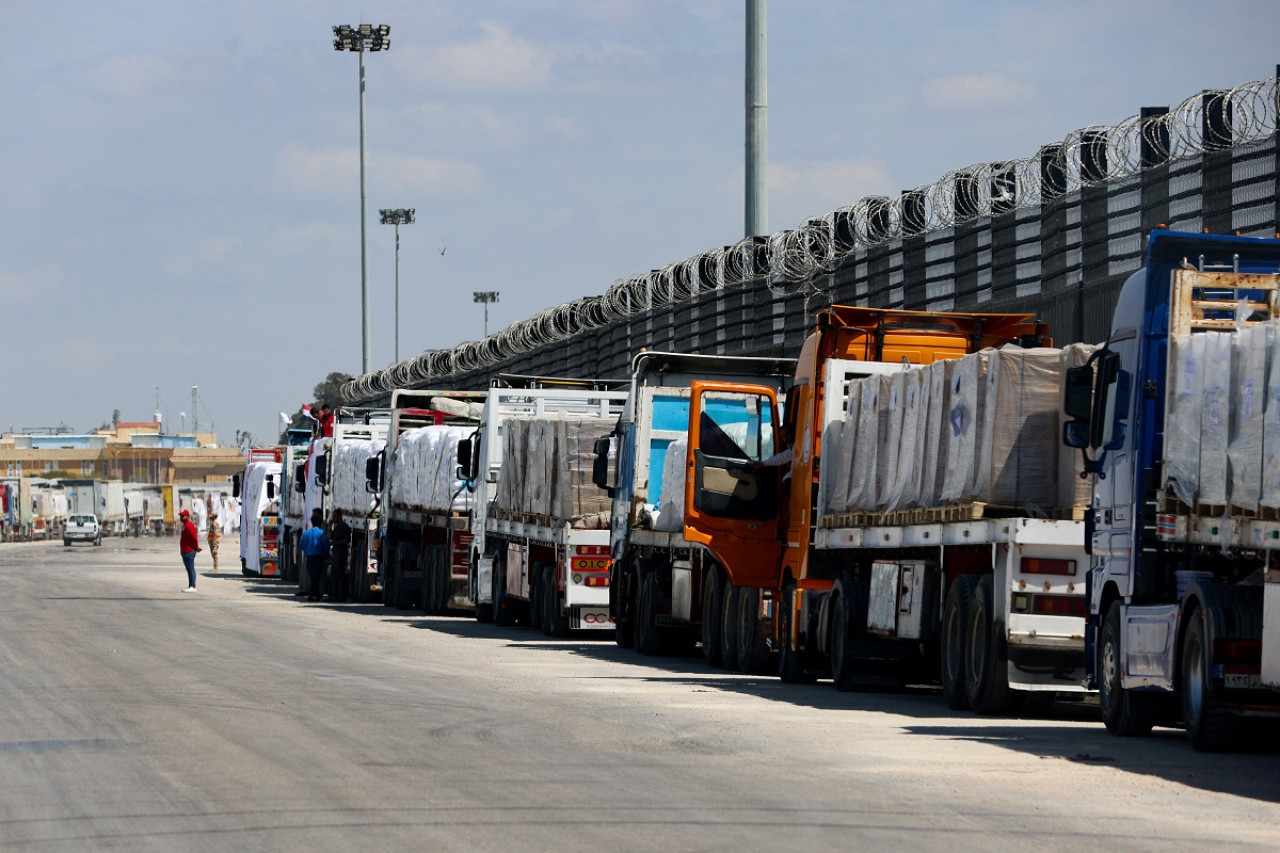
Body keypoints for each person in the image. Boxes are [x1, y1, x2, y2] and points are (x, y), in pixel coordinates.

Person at [300, 509, 330, 601]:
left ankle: (313, 594)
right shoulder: (322, 533)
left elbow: (301, 546)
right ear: (320, 523)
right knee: (317, 577)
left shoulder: (306, 533)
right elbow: (326, 546)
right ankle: (314, 594)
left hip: (309, 558)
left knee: (313, 576)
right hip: (319, 558)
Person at [179, 509, 201, 592]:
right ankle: (191, 585)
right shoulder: (185, 525)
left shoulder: (189, 525)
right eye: (180, 516)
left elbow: (194, 537)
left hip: (189, 551)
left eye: (182, 516)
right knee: (189, 569)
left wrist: (196, 547)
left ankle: (192, 586)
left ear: (187, 516)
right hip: (185, 551)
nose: (181, 517)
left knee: (191, 568)